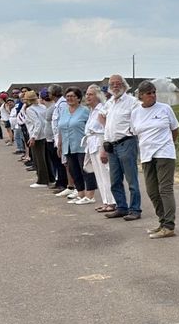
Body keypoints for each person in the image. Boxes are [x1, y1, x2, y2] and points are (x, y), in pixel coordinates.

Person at [132, 80, 179, 238]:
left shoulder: (165, 109)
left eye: (154, 92)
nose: (152, 95)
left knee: (164, 189)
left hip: (164, 153)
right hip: (147, 154)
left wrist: (168, 144)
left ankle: (169, 225)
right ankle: (162, 221)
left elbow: (175, 129)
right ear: (141, 96)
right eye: (148, 93)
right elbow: (135, 132)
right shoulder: (136, 112)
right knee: (152, 190)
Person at [101, 74, 142, 221]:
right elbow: (103, 118)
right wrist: (106, 139)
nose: (115, 86)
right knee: (115, 179)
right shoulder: (110, 102)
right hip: (112, 145)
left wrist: (132, 132)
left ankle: (135, 209)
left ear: (124, 85)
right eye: (112, 84)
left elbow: (138, 119)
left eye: (118, 83)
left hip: (126, 142)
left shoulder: (132, 102)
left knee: (131, 179)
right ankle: (121, 207)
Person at [59, 87, 96, 205]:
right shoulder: (64, 111)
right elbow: (61, 128)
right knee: (73, 170)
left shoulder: (85, 111)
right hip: (67, 145)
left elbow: (91, 127)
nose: (70, 98)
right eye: (68, 96)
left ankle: (90, 195)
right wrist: (59, 144)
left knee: (85, 170)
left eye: (72, 96)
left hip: (81, 145)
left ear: (79, 98)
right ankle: (80, 193)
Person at [83, 84, 116, 213]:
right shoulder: (92, 111)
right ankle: (105, 201)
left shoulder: (102, 109)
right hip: (92, 143)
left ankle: (112, 201)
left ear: (97, 96)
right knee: (98, 175)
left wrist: (104, 149)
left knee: (105, 174)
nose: (87, 97)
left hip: (100, 142)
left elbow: (105, 130)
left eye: (90, 94)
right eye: (86, 94)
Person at [24, 91, 52, 188]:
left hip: (37, 136)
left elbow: (37, 123)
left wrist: (33, 137)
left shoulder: (30, 110)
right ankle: (50, 178)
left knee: (39, 159)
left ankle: (42, 180)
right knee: (46, 159)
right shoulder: (43, 107)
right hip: (44, 134)